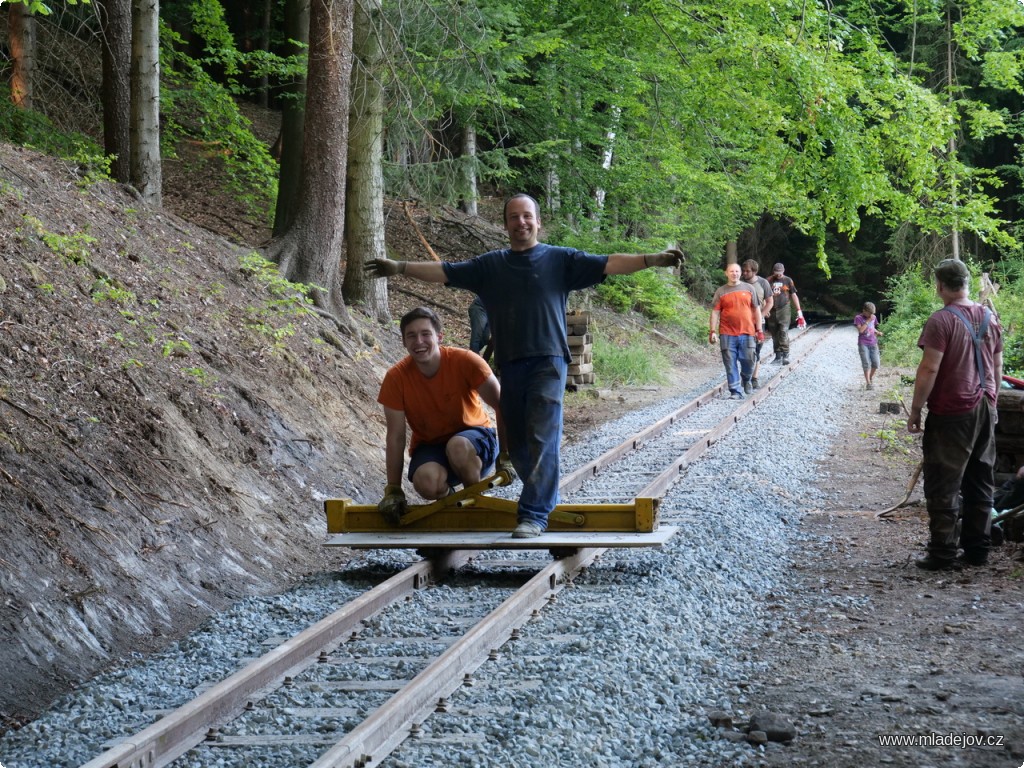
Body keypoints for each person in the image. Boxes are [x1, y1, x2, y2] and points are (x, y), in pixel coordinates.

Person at [365, 193, 683, 537]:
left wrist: (653, 259)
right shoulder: (490, 267)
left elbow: (609, 263)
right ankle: (542, 500)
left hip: (549, 361)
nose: (521, 222)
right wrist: (399, 268)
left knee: (542, 434)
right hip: (511, 364)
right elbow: (443, 271)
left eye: (527, 216)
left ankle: (534, 512)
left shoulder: (561, 260)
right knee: (518, 443)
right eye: (514, 217)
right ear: (506, 225)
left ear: (538, 221)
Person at [907, 259, 1002, 571]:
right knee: (980, 479)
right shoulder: (990, 316)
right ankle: (977, 550)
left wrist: (917, 409)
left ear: (940, 286)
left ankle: (942, 553)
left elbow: (930, 368)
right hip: (985, 406)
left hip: (952, 411)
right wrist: (994, 402)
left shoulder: (941, 321)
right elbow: (997, 366)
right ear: (967, 282)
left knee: (943, 481)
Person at [376, 307, 512, 524]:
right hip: (432, 446)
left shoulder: (466, 361)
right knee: (426, 482)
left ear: (438, 336)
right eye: (411, 336)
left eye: (425, 334)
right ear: (403, 341)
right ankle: (454, 502)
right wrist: (393, 489)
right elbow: (395, 436)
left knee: (457, 446)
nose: (419, 341)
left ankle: (474, 501)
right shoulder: (396, 378)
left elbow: (503, 405)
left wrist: (506, 454)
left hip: (475, 442)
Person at [709, 263, 763, 399]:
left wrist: (759, 330)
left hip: (748, 332)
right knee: (730, 362)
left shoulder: (749, 288)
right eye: (732, 271)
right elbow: (715, 312)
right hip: (727, 333)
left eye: (737, 271)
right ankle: (735, 391)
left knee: (749, 360)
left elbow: (756, 309)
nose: (735, 273)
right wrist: (712, 331)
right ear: (726, 273)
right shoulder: (721, 291)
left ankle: (746, 378)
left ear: (740, 273)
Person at [740, 259, 773, 389]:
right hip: (742, 321)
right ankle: (745, 376)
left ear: (754, 271)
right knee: (743, 350)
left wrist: (761, 315)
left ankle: (754, 378)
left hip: (759, 322)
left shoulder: (763, 283)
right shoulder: (740, 283)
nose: (745, 273)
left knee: (756, 350)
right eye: (744, 270)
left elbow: (770, 302)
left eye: (747, 271)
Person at [764, 262, 804, 365]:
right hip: (771, 309)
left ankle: (785, 355)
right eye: (776, 273)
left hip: (784, 308)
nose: (778, 275)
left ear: (783, 271)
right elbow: (764, 296)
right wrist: (765, 309)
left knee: (783, 331)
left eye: (780, 273)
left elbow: (794, 295)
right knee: (774, 333)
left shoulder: (788, 280)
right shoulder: (768, 281)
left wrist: (799, 311)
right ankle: (778, 356)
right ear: (773, 272)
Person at [854, 301, 883, 390]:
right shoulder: (858, 318)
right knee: (866, 363)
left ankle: (870, 377)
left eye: (872, 313)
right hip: (863, 343)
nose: (871, 315)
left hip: (873, 342)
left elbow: (872, 327)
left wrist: (877, 332)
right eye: (869, 313)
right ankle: (868, 383)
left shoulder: (873, 317)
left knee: (876, 363)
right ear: (864, 311)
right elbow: (861, 330)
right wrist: (868, 320)